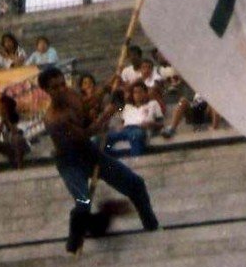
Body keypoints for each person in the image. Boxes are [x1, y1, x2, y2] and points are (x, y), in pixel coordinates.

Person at [38, 67, 159, 253]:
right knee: (83, 204)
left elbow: (85, 104)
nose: (61, 89)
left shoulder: (70, 94)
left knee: (136, 184)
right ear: (46, 90)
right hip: (70, 161)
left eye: (63, 84)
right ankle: (74, 243)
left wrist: (109, 87)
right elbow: (86, 133)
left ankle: (152, 226)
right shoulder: (54, 119)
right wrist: (110, 111)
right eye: (55, 87)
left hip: (89, 153)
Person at [105, 81, 164, 156]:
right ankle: (106, 159)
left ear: (146, 93)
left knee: (135, 135)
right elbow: (122, 121)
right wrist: (121, 126)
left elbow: (161, 123)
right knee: (108, 136)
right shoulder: (127, 107)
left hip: (140, 129)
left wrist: (151, 124)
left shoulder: (153, 104)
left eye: (140, 92)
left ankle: (136, 159)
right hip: (126, 130)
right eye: (135, 92)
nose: (137, 95)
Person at [0, 95, 30, 170]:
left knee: (17, 138)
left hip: (23, 146)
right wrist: (1, 123)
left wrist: (7, 121)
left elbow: (18, 133)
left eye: (3, 108)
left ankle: (20, 166)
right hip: (8, 147)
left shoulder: (19, 118)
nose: (0, 110)